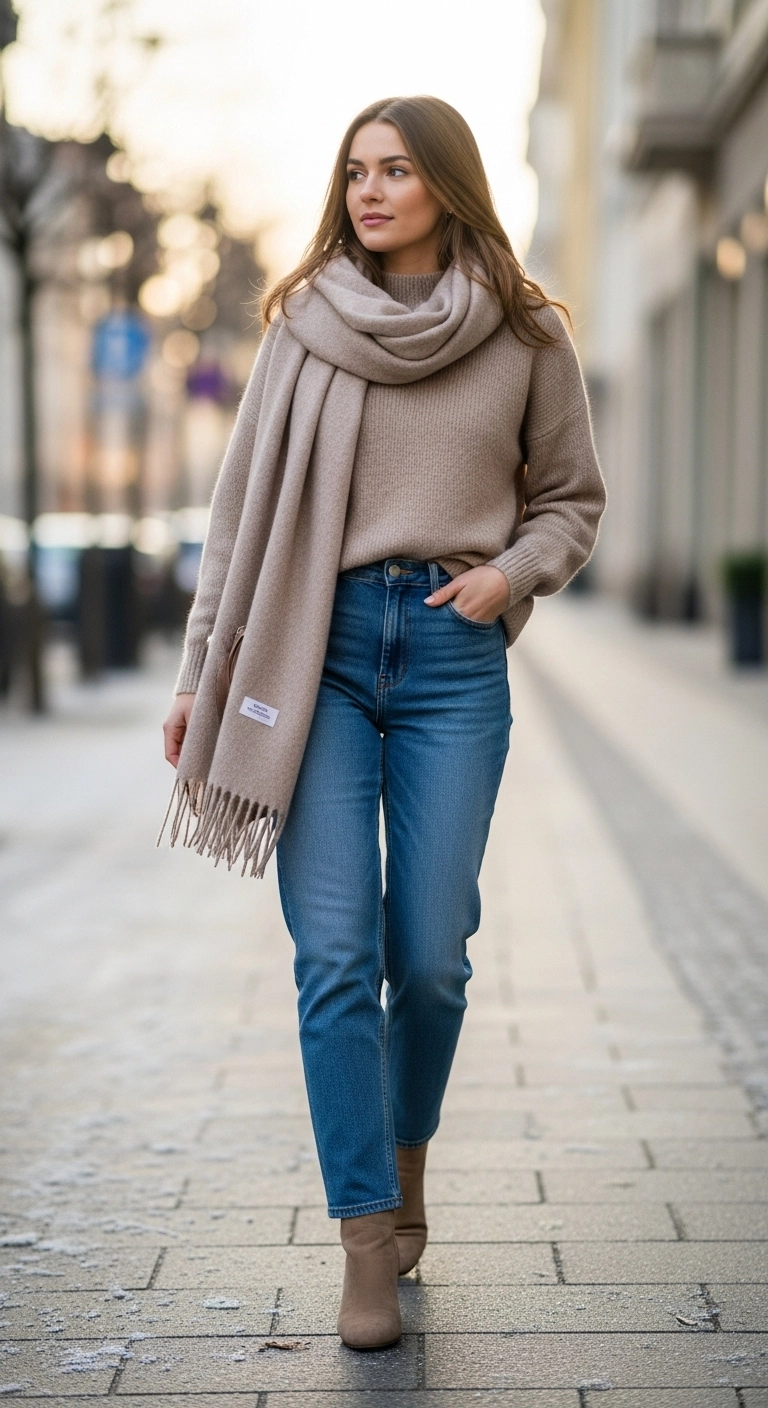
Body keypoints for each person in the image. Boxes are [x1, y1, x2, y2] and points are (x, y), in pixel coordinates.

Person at [162, 95, 605, 1352]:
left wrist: (509, 576)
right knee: (336, 954)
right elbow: (240, 517)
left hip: (456, 659)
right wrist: (201, 674)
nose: (368, 191)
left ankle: (408, 1167)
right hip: (318, 654)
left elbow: (572, 498)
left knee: (432, 955)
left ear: (446, 187)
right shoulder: (302, 329)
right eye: (356, 170)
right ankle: (366, 1239)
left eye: (396, 170)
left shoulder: (524, 336)